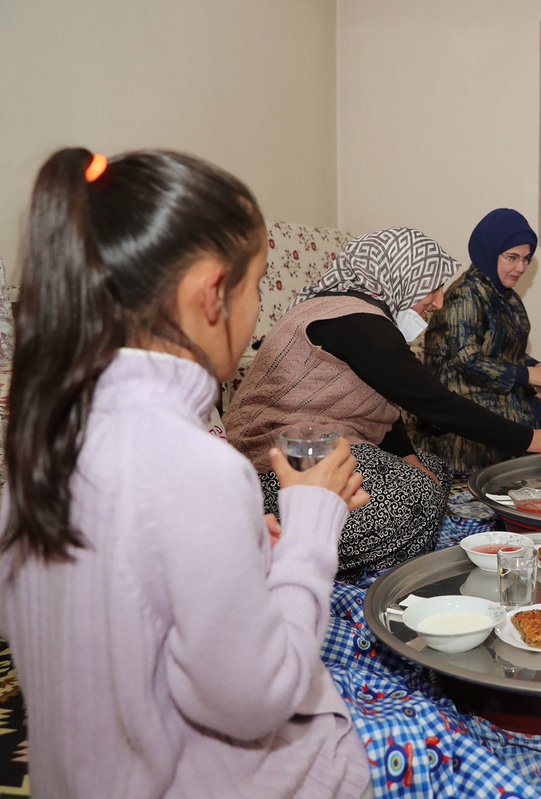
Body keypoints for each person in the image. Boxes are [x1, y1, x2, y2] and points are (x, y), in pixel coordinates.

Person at [0, 148, 371, 796]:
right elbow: (257, 699)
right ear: (211, 293)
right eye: (256, 284)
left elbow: (126, 603)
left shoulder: (40, 443)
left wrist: (245, 546)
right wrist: (312, 526)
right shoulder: (198, 466)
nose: (258, 309)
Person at [224, 227, 541, 582]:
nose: (438, 302)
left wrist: (411, 461)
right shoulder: (354, 319)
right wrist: (533, 440)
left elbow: (386, 405)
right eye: (433, 287)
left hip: (335, 449)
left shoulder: (364, 318)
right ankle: (305, 548)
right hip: (279, 470)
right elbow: (434, 402)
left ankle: (387, 543)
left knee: (431, 470)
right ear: (401, 273)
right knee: (415, 498)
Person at [418, 208, 541, 473]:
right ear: (490, 250)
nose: (520, 267)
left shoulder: (504, 295)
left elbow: (505, 351)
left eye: (526, 259)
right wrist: (524, 376)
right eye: (512, 257)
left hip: (499, 396)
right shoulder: (465, 295)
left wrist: (535, 366)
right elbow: (467, 358)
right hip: (467, 406)